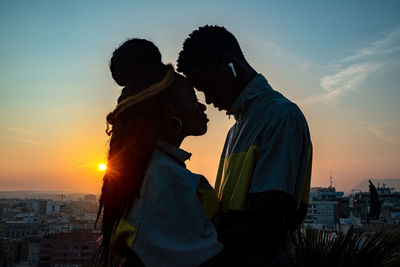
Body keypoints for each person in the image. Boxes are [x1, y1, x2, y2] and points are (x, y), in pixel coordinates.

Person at [177, 25, 313, 266]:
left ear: (229, 66)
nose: (209, 101)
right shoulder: (236, 130)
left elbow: (267, 222)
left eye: (209, 88)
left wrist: (193, 250)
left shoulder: (280, 117)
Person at [96, 38, 223, 267]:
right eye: (192, 99)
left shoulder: (154, 170)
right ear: (169, 112)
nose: (202, 106)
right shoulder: (168, 181)